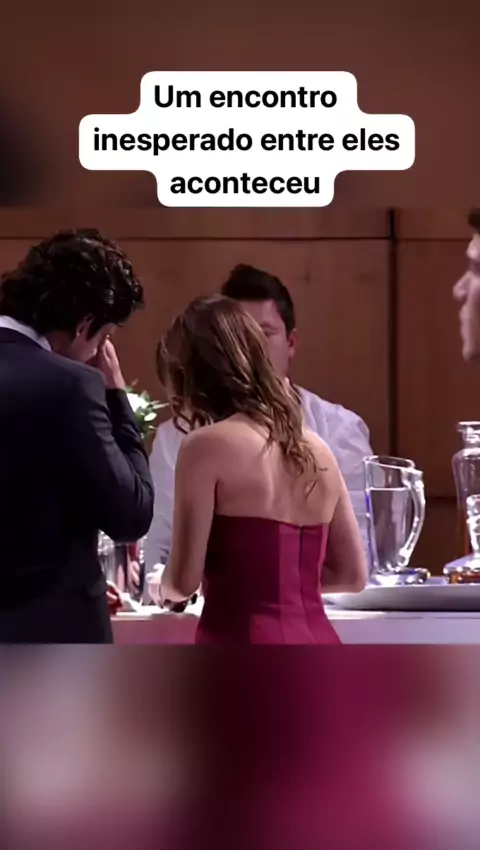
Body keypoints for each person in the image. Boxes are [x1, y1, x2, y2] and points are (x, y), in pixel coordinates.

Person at [153, 294, 367, 644]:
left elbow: (183, 582)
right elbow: (352, 576)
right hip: (320, 647)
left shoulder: (203, 446)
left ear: (189, 375)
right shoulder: (318, 448)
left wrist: (160, 586)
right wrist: (282, 585)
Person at [0, 228, 154, 643]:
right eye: (104, 337)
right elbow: (130, 513)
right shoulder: (70, 385)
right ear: (84, 324)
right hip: (54, 631)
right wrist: (116, 395)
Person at [453, 209, 480, 360]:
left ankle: (473, 346)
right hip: (476, 281)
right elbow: (474, 270)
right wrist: (464, 283)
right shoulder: (476, 241)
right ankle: (473, 346)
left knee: (469, 314)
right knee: (468, 314)